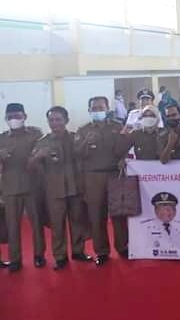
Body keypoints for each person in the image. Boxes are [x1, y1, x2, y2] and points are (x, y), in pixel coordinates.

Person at [29, 106, 91, 270]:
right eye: (51, 120)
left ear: (66, 120)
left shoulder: (75, 138)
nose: (54, 123)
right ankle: (60, 256)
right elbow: (30, 166)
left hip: (75, 187)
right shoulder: (42, 142)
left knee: (77, 222)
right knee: (57, 225)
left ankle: (78, 252)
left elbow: (85, 157)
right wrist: (38, 156)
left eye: (58, 119)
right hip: (54, 190)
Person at [74, 96, 130, 265]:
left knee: (118, 214)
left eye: (101, 107)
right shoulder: (83, 130)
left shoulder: (117, 127)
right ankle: (102, 251)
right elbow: (77, 154)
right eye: (94, 108)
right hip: (92, 177)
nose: (98, 110)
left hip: (114, 174)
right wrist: (85, 143)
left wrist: (124, 152)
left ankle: (123, 247)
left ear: (107, 109)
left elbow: (124, 149)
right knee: (96, 215)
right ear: (89, 110)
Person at [0, 103, 45, 272]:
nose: (14, 120)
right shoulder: (1, 138)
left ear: (25, 116)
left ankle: (39, 255)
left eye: (17, 116)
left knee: (36, 224)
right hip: (10, 188)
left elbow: (40, 155)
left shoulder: (35, 133)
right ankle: (15, 259)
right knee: (12, 226)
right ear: (5, 119)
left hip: (32, 186)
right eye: (10, 117)